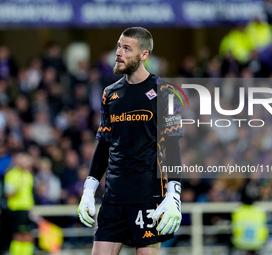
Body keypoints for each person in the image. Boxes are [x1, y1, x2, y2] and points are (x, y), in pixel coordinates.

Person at [77, 27, 183, 255]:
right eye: (118, 46)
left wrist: (174, 193)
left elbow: (172, 145)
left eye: (127, 48)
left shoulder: (166, 93)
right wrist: (89, 188)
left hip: (148, 196)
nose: (118, 53)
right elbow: (104, 142)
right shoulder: (110, 94)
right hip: (113, 197)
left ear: (144, 55)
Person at [4, 153, 35, 255]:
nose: (27, 163)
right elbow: (8, 194)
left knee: (28, 235)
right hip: (16, 209)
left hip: (27, 209)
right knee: (18, 235)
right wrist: (17, 187)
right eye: (25, 161)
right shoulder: (11, 175)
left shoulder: (28, 175)